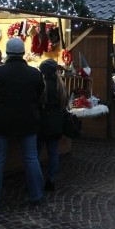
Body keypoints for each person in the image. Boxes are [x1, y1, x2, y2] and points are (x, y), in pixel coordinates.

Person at [0, 38, 46, 211]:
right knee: (31, 158)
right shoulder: (34, 73)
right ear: (23, 52)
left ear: (7, 53)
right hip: (28, 121)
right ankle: (37, 195)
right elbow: (39, 95)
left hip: (0, 121)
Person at [38, 58, 67, 192]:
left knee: (35, 154)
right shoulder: (60, 84)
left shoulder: (40, 84)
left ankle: (35, 180)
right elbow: (64, 104)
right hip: (56, 122)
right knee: (53, 153)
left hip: (41, 122)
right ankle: (51, 180)